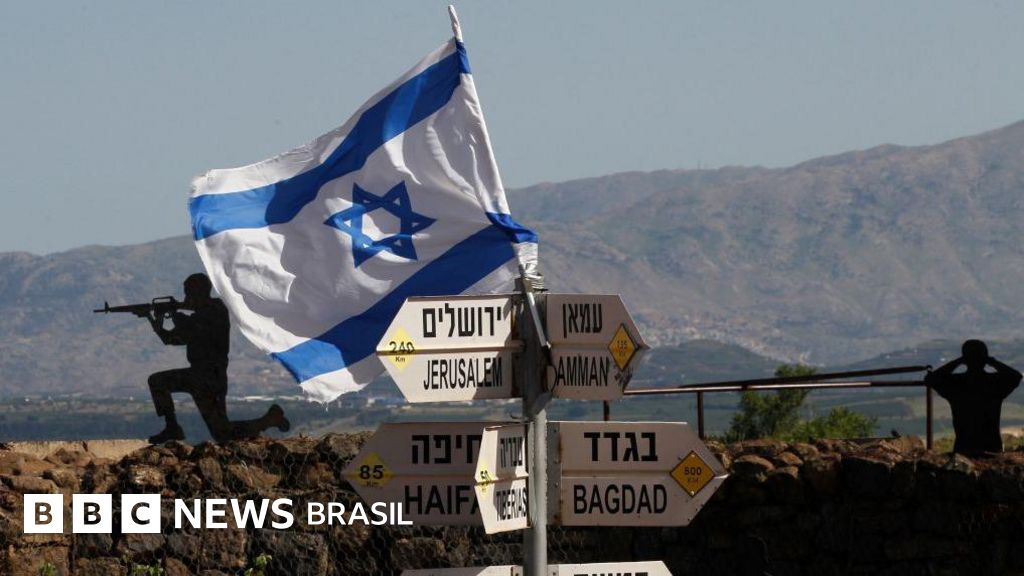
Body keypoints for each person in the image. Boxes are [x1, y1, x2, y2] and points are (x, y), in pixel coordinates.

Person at [146, 273, 289, 444]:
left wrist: (173, 312)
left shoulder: (215, 310)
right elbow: (172, 339)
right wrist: (154, 322)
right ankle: (269, 420)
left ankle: (172, 427)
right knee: (221, 432)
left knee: (158, 382)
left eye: (188, 294)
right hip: (200, 377)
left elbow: (193, 326)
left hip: (210, 377)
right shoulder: (201, 314)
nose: (186, 299)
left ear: (198, 293)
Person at [925, 339, 1021, 456]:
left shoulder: (956, 384)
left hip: (964, 448)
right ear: (985, 358)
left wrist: (959, 361)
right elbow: (1015, 376)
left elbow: (931, 379)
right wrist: (992, 361)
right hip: (992, 447)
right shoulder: (994, 383)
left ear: (965, 359)